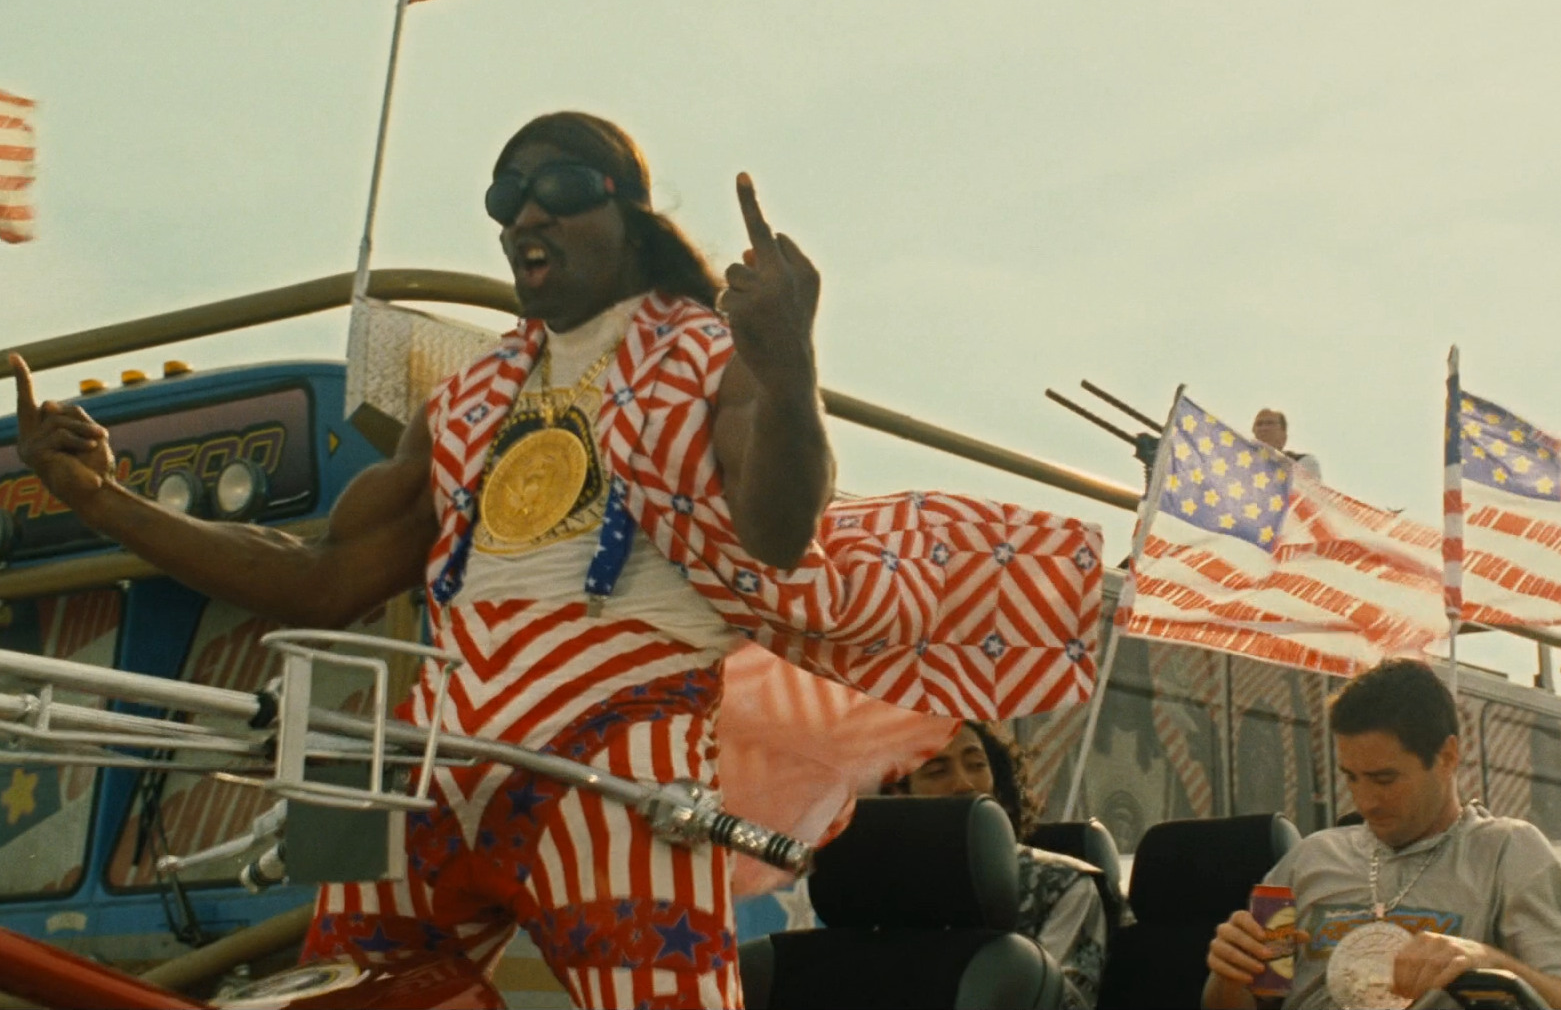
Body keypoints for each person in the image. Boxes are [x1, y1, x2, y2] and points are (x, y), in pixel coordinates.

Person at [6, 111, 1101, 1009]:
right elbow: (321, 575)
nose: (526, 211)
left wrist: (787, 365)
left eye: (560, 185)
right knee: (339, 1001)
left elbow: (778, 531)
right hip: (438, 764)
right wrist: (106, 502)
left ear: (629, 210)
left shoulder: (704, 355)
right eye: (504, 195)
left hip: (615, 767)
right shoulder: (466, 401)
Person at [1202, 660, 1561, 1010]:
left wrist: (1487, 961)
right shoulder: (1308, 861)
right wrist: (1231, 974)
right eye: (1351, 777)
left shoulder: (1504, 852)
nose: (1365, 800)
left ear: (1447, 756)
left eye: (1385, 779)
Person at [893, 722, 1111, 1009]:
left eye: (977, 765)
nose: (964, 784)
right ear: (896, 794)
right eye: (936, 771)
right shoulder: (867, 890)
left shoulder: (1060, 886)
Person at [1251, 408, 1322, 482]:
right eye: (1259, 424)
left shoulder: (1303, 462)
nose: (1264, 428)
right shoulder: (1246, 467)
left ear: (1284, 436)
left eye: (1270, 423)